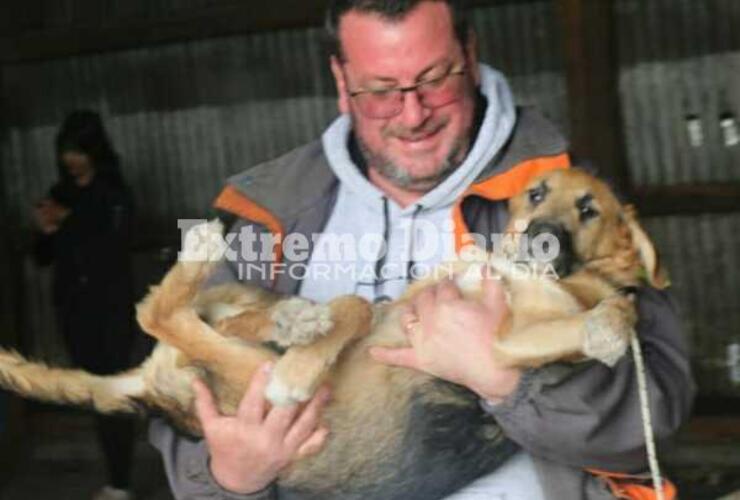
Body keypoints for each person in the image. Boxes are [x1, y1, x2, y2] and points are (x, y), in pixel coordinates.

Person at [149, 1, 695, 499]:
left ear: (471, 58)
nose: (412, 116)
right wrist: (228, 478)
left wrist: (505, 379)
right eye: (381, 89)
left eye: (434, 80)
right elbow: (174, 390)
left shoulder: (564, 197)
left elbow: (656, 412)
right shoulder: (265, 210)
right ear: (342, 81)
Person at [33, 110, 137, 500]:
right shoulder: (60, 193)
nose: (71, 160)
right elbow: (43, 257)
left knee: (112, 392)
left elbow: (113, 247)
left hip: (110, 309)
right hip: (74, 310)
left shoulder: (113, 193)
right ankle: (117, 479)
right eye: (66, 152)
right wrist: (45, 231)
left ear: (95, 151)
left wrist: (69, 222)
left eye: (78, 151)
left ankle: (120, 484)